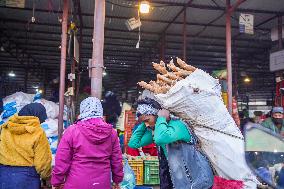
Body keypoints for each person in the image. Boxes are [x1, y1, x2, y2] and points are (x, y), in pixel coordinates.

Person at [128, 98, 213, 189]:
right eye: (144, 122)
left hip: (198, 181)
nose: (146, 125)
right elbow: (134, 143)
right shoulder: (158, 129)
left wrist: (161, 118)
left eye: (147, 120)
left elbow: (161, 139)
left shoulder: (178, 125)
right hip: (181, 182)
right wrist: (143, 123)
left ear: (157, 114)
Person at [51, 97, 123, 189]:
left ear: (83, 110)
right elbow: (117, 160)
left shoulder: (72, 131)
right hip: (102, 183)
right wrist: (117, 180)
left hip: (77, 183)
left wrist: (57, 181)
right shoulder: (112, 133)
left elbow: (62, 159)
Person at [0, 103, 52, 189]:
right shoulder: (37, 132)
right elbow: (43, 161)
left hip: (4, 175)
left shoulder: (5, 128)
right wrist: (46, 177)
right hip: (27, 178)